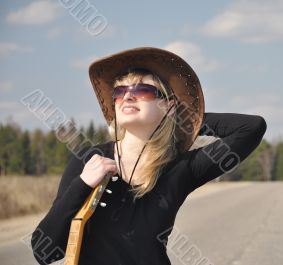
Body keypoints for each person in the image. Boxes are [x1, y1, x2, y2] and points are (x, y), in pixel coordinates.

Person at [30, 47, 267, 265]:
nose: (128, 97)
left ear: (169, 105)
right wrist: (82, 184)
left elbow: (250, 127)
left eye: (142, 90)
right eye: (120, 91)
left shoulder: (180, 168)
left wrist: (184, 118)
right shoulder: (90, 160)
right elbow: (44, 251)